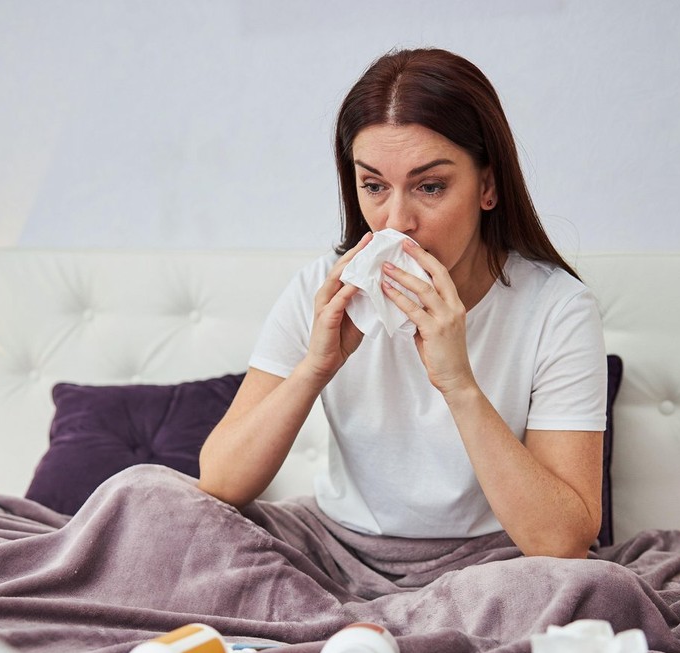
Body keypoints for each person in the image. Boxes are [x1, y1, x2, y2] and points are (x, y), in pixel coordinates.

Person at [198, 48, 606, 560]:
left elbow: (562, 542)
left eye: (430, 187)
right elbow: (219, 482)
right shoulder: (319, 289)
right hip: (335, 550)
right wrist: (316, 367)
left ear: (488, 185)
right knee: (147, 497)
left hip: (493, 565)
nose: (395, 223)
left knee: (570, 591)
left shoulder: (556, 308)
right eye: (373, 186)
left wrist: (458, 384)